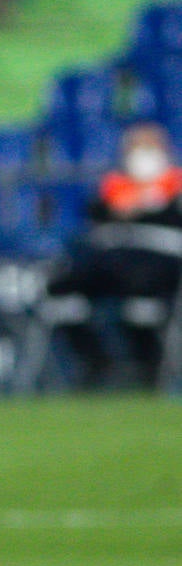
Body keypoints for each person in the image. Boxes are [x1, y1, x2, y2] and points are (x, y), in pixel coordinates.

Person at [43, 120, 182, 387]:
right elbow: (95, 217)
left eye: (149, 146)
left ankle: (147, 366)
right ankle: (94, 360)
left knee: (140, 298)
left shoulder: (175, 186)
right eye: (136, 147)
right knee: (63, 287)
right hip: (114, 261)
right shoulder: (114, 187)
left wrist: (150, 206)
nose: (142, 154)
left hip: (159, 265)